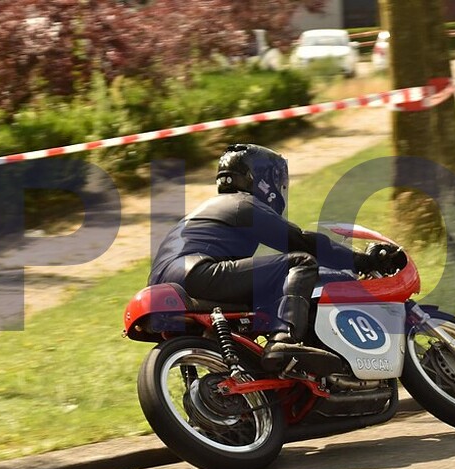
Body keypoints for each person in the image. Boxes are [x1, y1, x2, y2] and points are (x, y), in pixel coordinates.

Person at [148, 143, 399, 374]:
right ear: (262, 180)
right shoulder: (242, 204)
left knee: (254, 307)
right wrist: (362, 261)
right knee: (300, 261)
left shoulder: (206, 211)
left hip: (164, 283)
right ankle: (284, 340)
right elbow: (301, 241)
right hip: (198, 273)